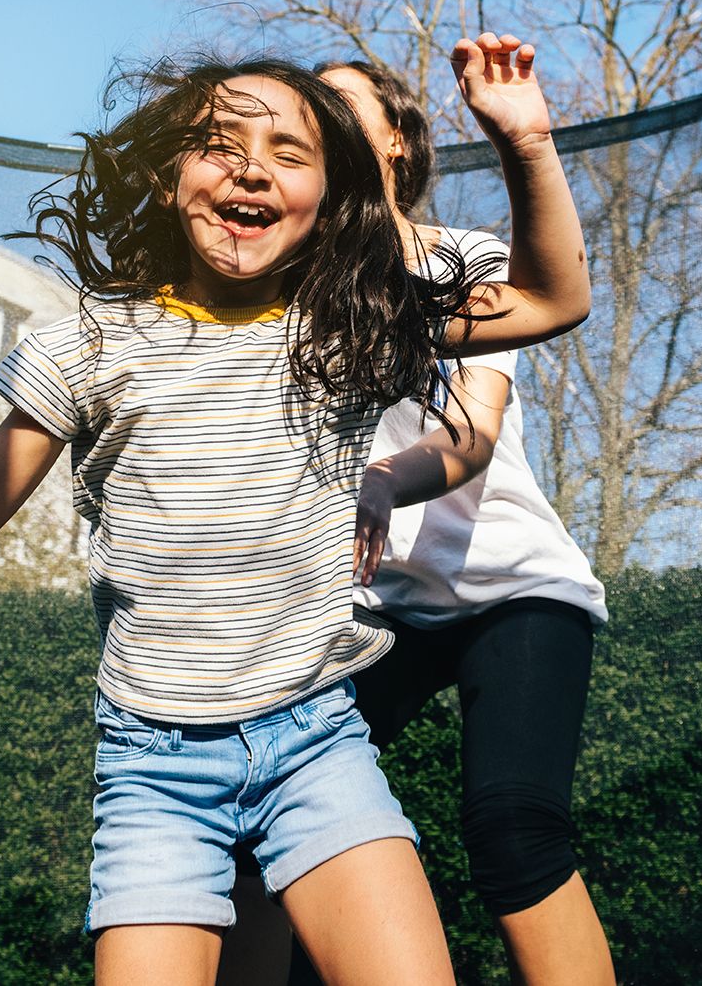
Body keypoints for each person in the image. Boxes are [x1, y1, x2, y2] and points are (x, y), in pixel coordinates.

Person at [0, 34, 589, 986]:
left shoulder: (350, 324)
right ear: (169, 171)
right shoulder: (88, 346)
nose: (252, 169)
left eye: (290, 153)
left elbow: (556, 297)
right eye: (222, 144)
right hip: (156, 772)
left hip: (315, 746)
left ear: (331, 199)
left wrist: (526, 142)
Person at [222, 61, 614, 986]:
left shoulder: (462, 261)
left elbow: (471, 434)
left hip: (513, 586)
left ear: (399, 138)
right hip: (382, 606)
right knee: (266, 818)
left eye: (341, 103)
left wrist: (383, 482)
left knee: (512, 820)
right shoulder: (290, 294)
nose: (320, 118)